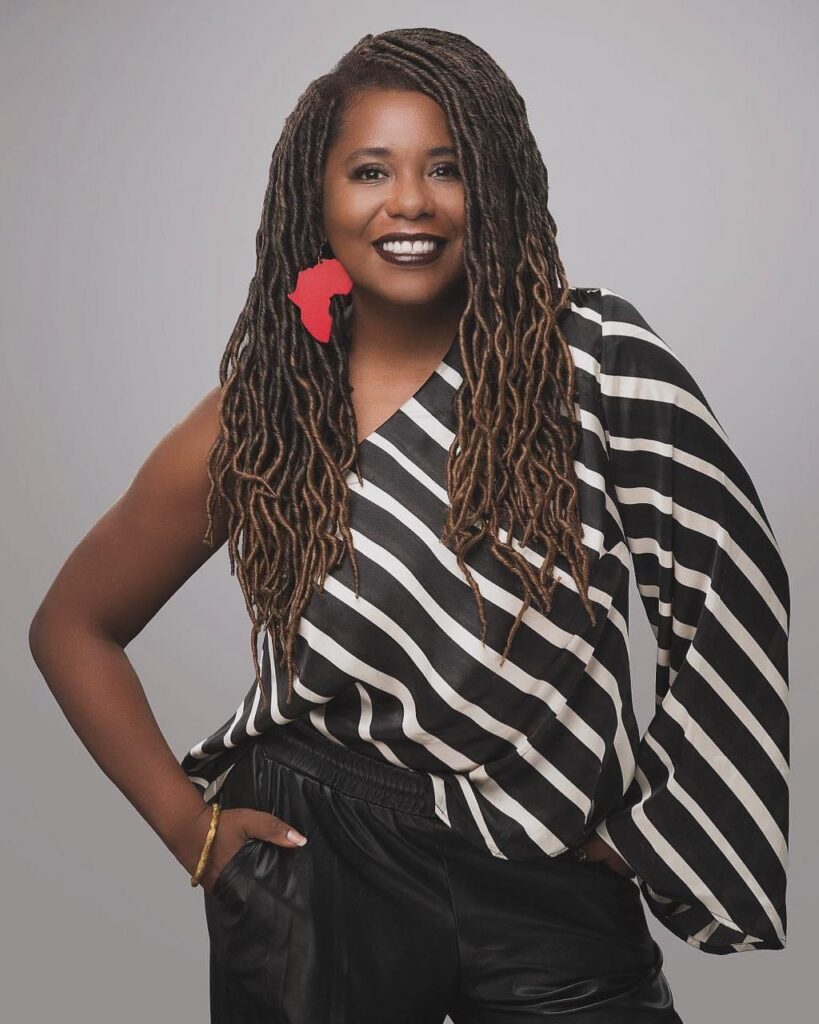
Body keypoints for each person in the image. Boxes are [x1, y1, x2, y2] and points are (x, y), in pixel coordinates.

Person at [28, 26, 789, 1024]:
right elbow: (73, 626)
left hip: (547, 862)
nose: (410, 202)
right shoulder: (267, 411)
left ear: (498, 187)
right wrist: (192, 829)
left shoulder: (597, 362)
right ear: (320, 200)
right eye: (370, 171)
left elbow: (737, 589)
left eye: (446, 168)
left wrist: (657, 829)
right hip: (323, 860)